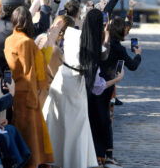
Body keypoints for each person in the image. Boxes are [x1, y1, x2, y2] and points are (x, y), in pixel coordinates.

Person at [44, 9, 124, 168]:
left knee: (57, 119)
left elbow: (75, 25)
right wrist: (106, 35)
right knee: (78, 123)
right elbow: (103, 54)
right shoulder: (96, 47)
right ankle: (76, 159)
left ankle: (52, 156)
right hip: (78, 83)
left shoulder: (72, 34)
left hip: (63, 76)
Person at [4, 6, 53, 168]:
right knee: (30, 130)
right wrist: (36, 95)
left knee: (23, 128)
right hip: (27, 91)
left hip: (15, 88)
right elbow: (29, 71)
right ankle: (32, 162)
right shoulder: (26, 42)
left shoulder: (9, 39)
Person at [91, 17, 141, 167]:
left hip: (93, 84)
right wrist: (138, 54)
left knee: (95, 119)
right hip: (107, 87)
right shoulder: (119, 48)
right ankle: (108, 155)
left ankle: (98, 154)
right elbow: (132, 66)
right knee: (105, 120)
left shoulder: (100, 42)